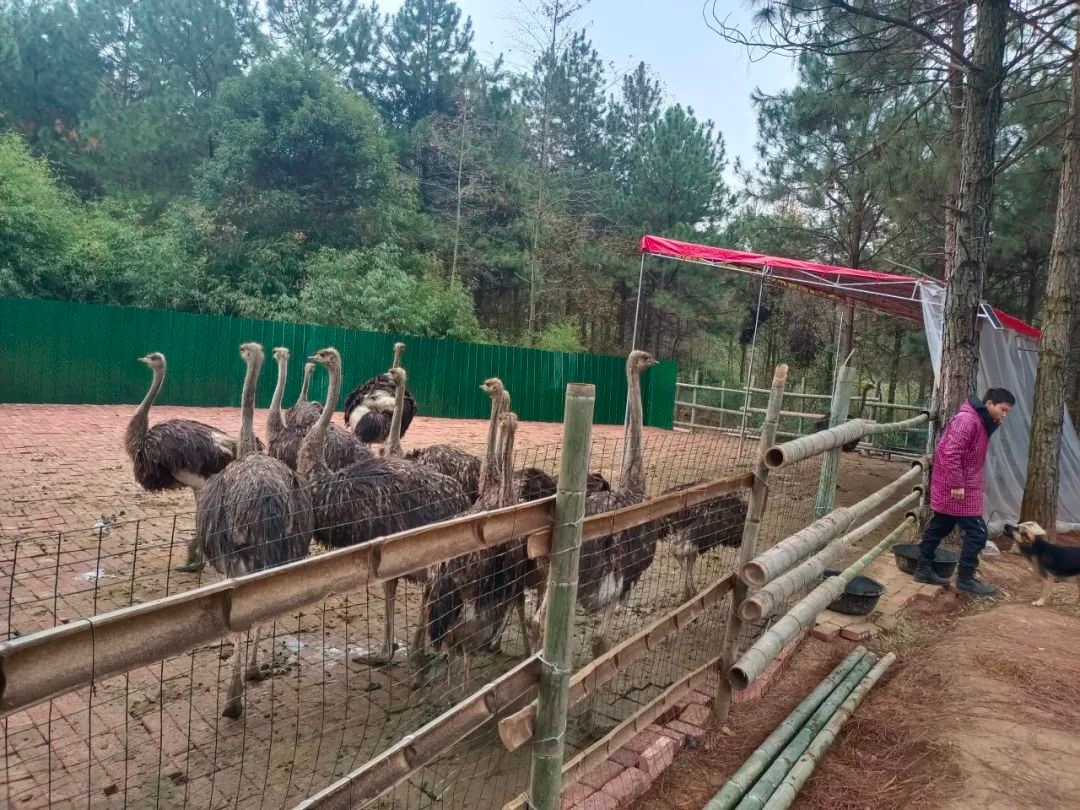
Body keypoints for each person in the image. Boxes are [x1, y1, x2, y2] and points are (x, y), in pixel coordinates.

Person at [915, 387, 1016, 596]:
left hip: (960, 484)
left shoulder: (980, 419)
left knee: (940, 526)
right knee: (978, 532)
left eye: (1007, 412)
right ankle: (966, 579)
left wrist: (994, 424)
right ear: (989, 404)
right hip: (958, 487)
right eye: (1003, 410)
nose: (1004, 415)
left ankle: (922, 568)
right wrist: (957, 484)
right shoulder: (967, 420)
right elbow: (951, 453)